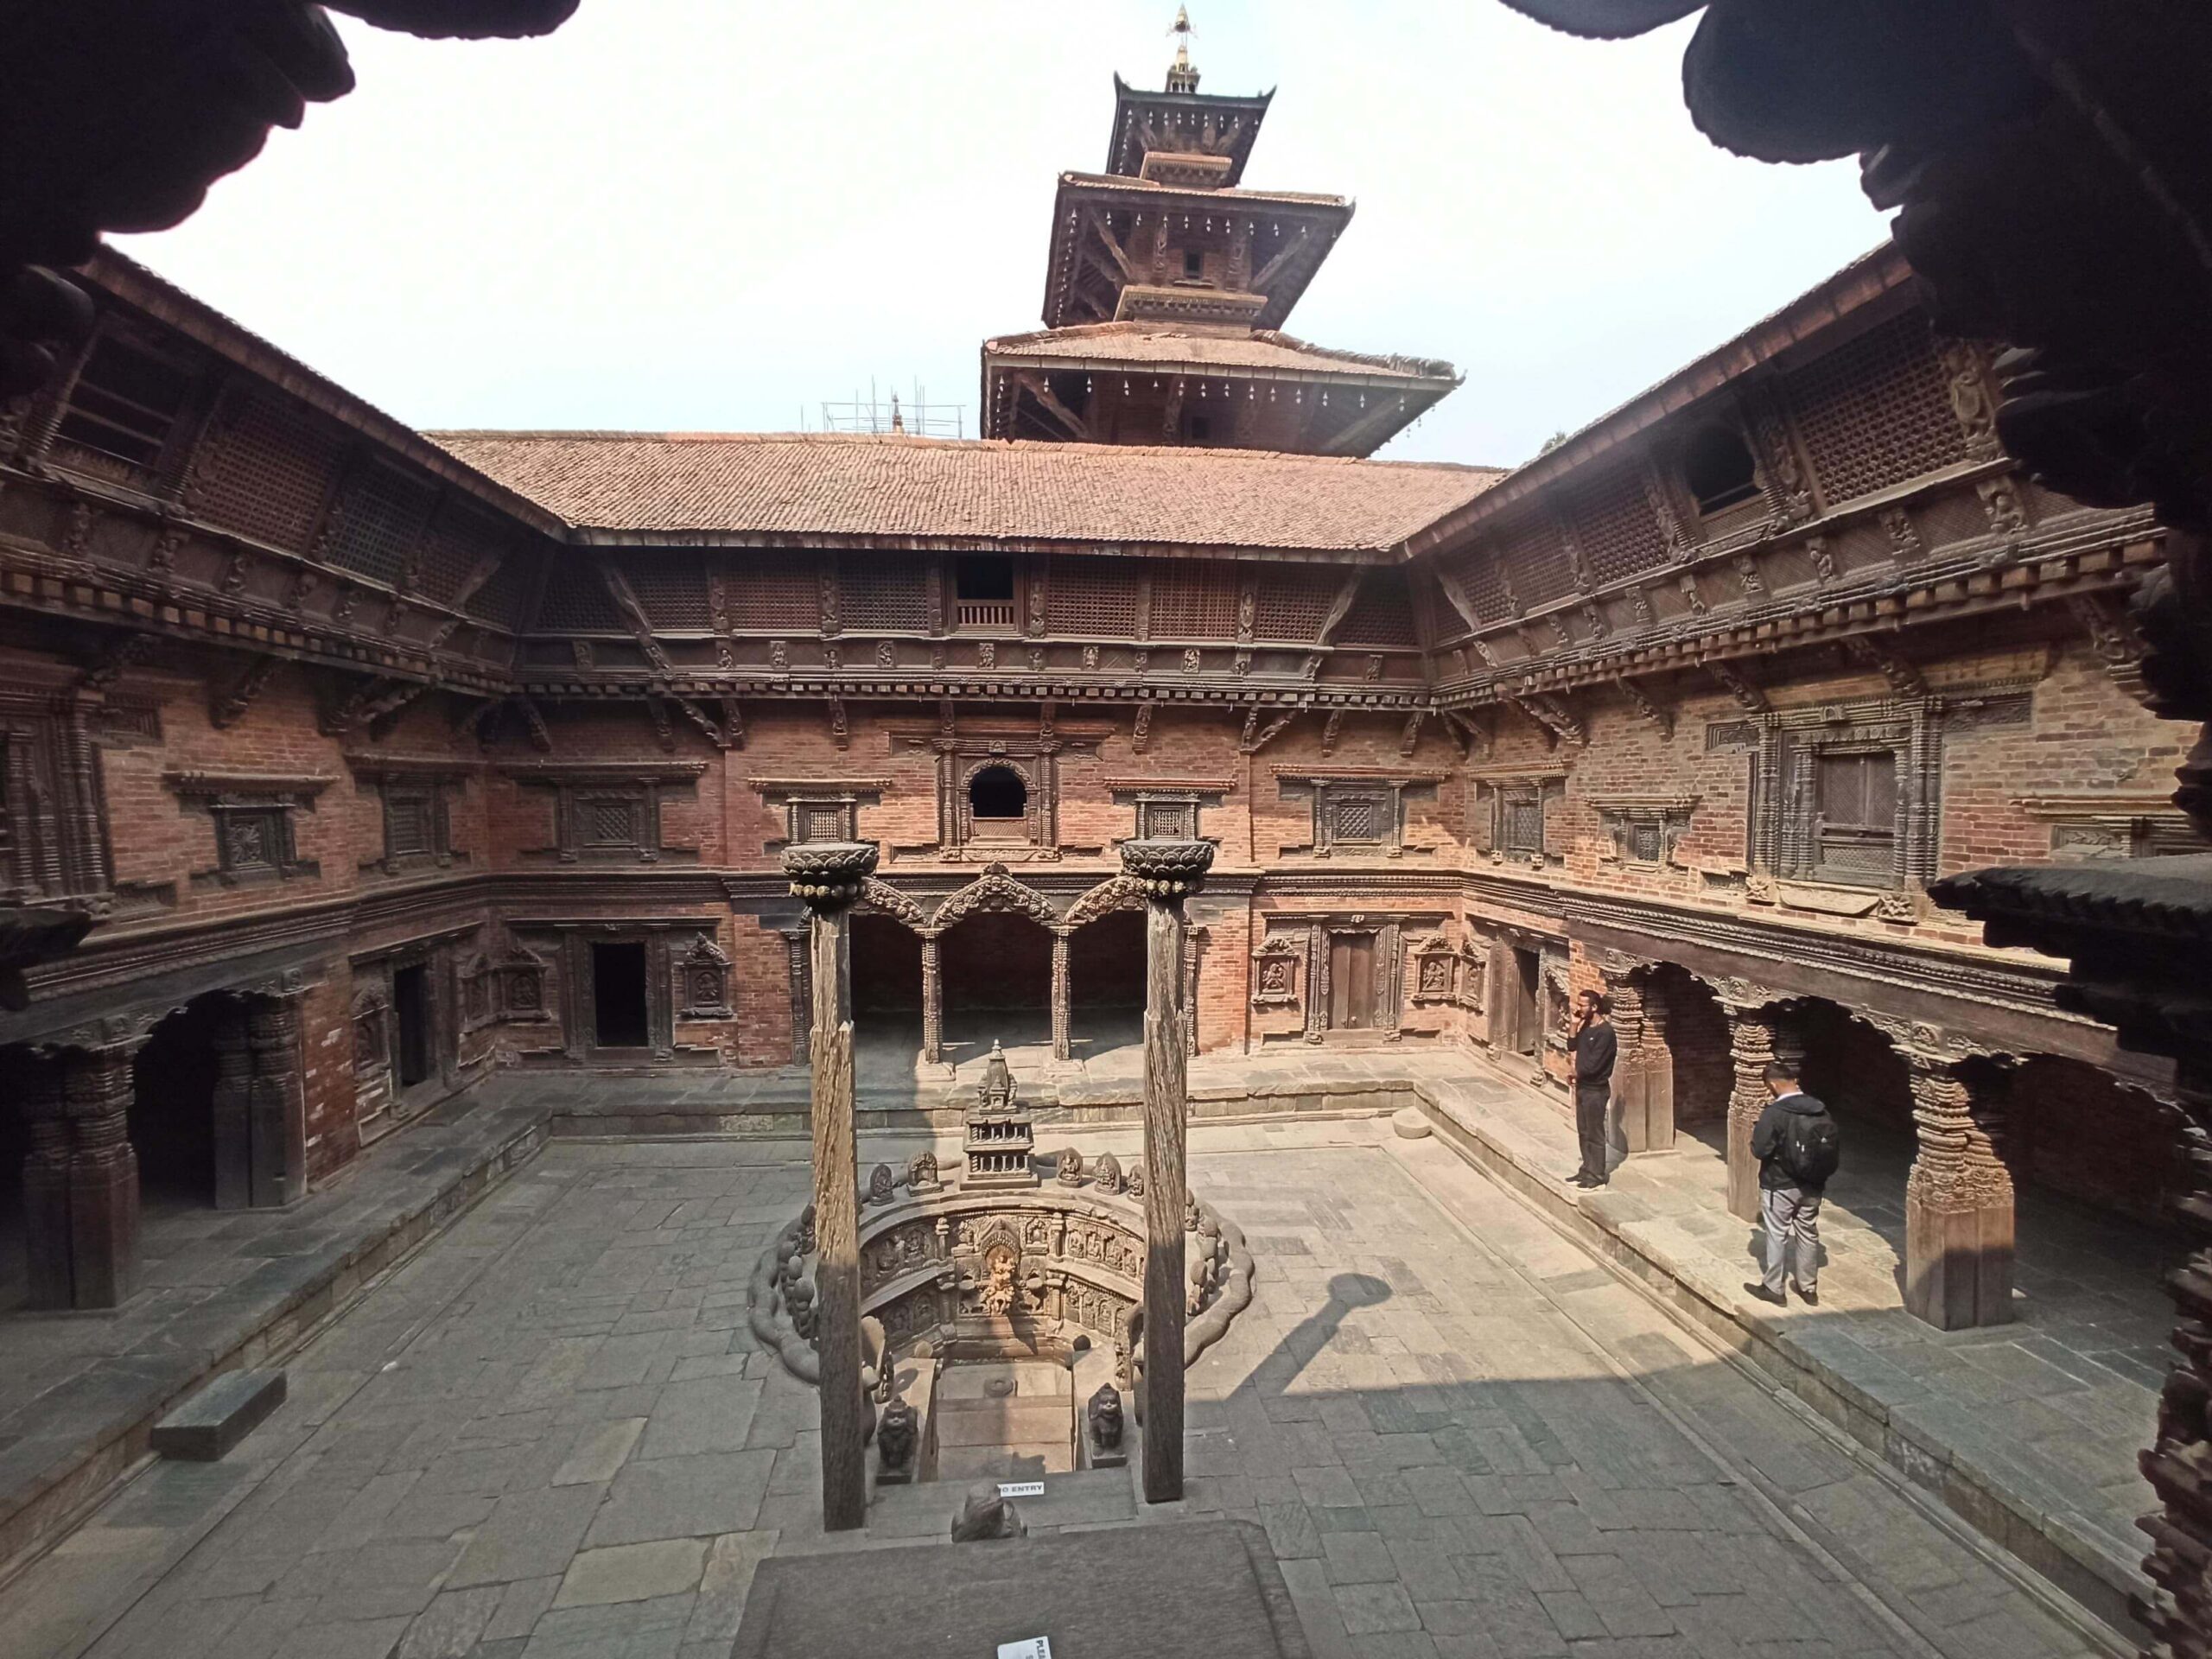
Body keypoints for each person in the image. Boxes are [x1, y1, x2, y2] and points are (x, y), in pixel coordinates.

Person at [1744, 1057, 1840, 1307]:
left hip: (1780, 1183)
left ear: (1773, 1085)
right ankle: (1808, 1288)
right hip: (1813, 1183)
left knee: (1777, 1233)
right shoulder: (1820, 1109)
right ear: (1794, 1081)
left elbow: (1760, 1150)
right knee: (1807, 1232)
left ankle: (1774, 1288)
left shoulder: (1774, 1114)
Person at [1569, 989, 1617, 1189]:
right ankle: (1586, 1169)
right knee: (1583, 1131)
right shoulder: (1586, 1027)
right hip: (1583, 1087)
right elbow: (1572, 1045)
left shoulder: (1605, 1033)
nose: (1578, 1008)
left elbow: (1594, 1065)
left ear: (1594, 1007)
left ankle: (1597, 1176)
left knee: (1595, 1133)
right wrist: (1574, 1025)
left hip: (1596, 1090)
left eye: (1582, 1005)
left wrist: (1575, 1073)